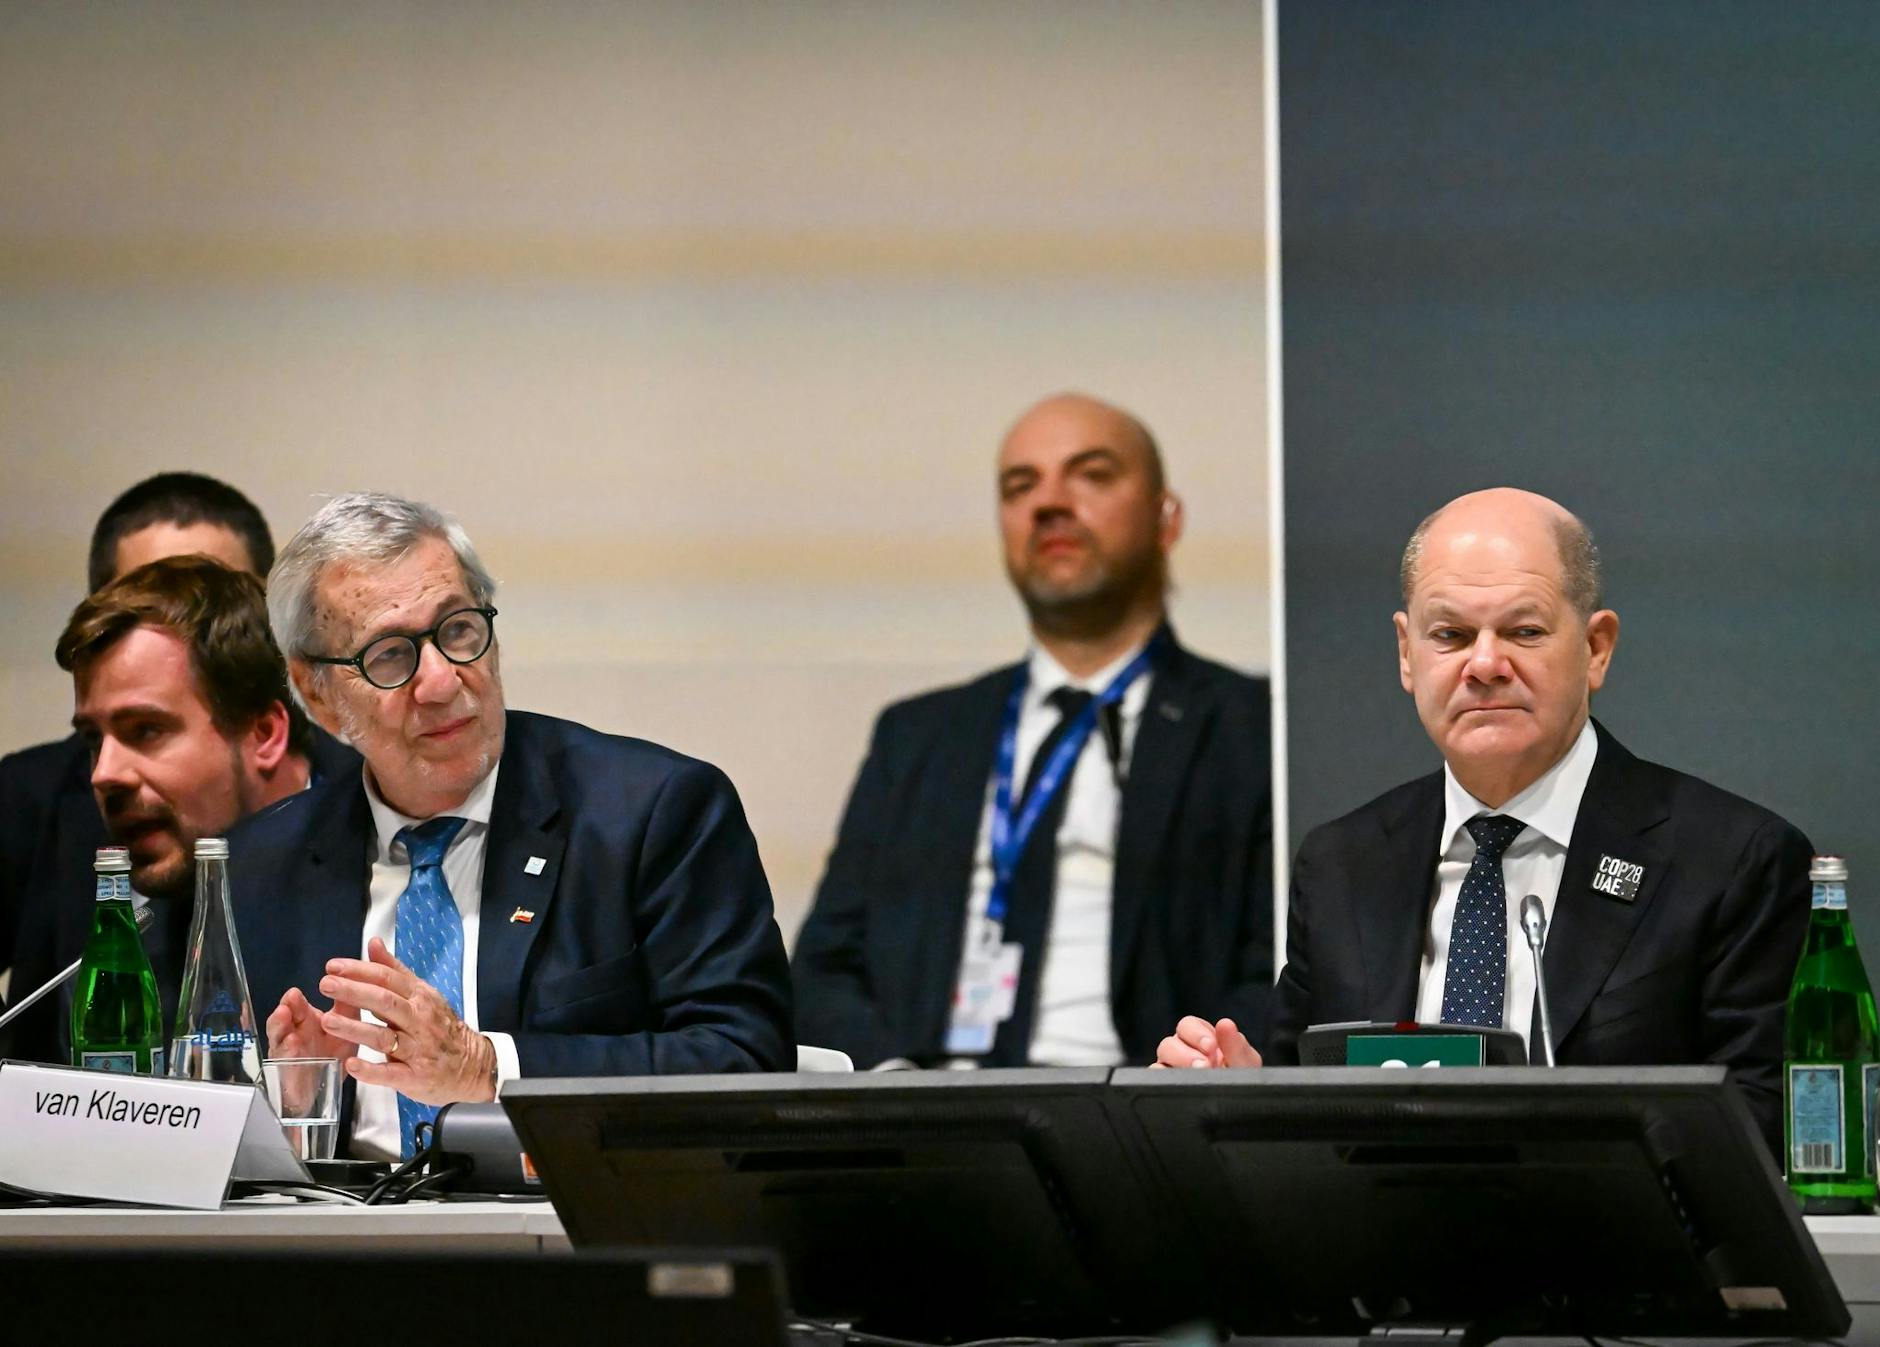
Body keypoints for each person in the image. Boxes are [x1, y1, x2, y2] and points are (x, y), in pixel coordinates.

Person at [1157, 487, 1810, 1150]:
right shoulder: (1342, 864)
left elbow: (1761, 1123)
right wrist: (1244, 1098)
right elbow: (1307, 1112)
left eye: (1524, 631)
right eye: (1451, 635)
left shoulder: (1730, 860)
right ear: (1408, 654)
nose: (1486, 664)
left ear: (1597, 647)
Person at [236, 492, 792, 1160]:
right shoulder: (262, 863)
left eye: (459, 629)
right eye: (390, 655)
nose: (442, 680)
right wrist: (295, 1104)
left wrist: (488, 1066)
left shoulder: (651, 814)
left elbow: (745, 1058)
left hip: (573, 1235)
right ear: (317, 693)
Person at [792, 393, 1272, 1069]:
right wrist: (892, 1084)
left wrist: (1190, 1076)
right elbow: (822, 969)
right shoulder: (919, 737)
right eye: (1021, 485)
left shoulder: (1251, 728)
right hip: (930, 1118)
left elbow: (1279, 970)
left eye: (1092, 474)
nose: (1048, 502)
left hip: (1141, 1117)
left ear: (1167, 519)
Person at [4, 556, 356, 1063]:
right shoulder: (107, 900)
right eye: (91, 739)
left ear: (264, 734)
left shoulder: (387, 851)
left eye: (145, 730)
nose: (104, 774)